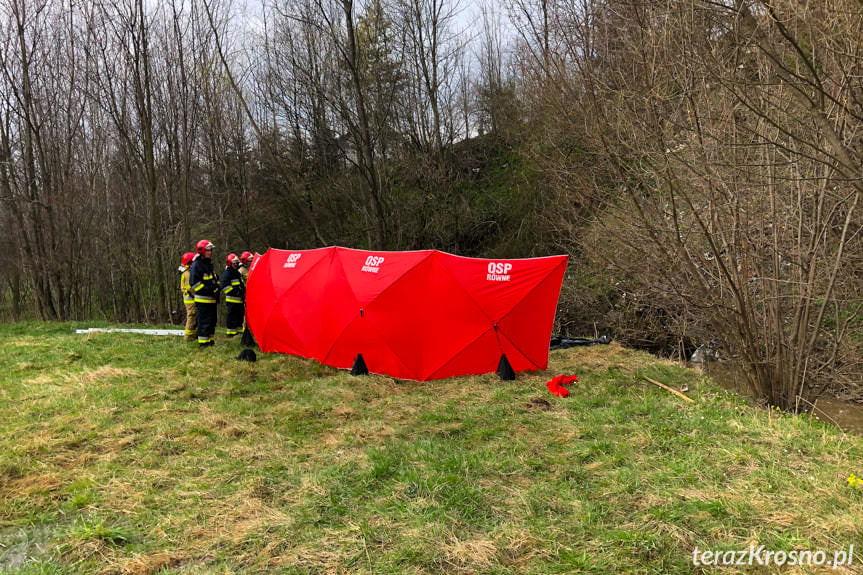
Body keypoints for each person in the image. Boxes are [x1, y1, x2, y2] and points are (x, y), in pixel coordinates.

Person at [189, 240, 219, 347]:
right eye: (207, 250)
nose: (210, 252)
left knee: (212, 322)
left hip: (211, 299)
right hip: (203, 299)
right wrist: (209, 290)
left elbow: (213, 279)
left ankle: (210, 340)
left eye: (210, 250)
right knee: (204, 322)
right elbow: (194, 283)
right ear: (201, 251)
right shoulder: (197, 265)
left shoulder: (208, 264)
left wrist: (217, 287)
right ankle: (203, 343)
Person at [221, 253, 245, 337]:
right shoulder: (227, 273)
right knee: (232, 316)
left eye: (237, 262)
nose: (236, 264)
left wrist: (242, 292)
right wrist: (236, 292)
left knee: (239, 316)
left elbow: (241, 284)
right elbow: (225, 287)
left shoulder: (237, 273)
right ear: (229, 263)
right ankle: (230, 333)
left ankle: (238, 331)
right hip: (232, 299)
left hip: (239, 300)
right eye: (234, 262)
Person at [178, 252, 197, 342]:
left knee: (193, 317)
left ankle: (192, 335)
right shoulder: (188, 274)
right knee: (191, 316)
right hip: (190, 300)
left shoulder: (185, 272)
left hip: (188, 299)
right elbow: (190, 288)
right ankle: (188, 337)